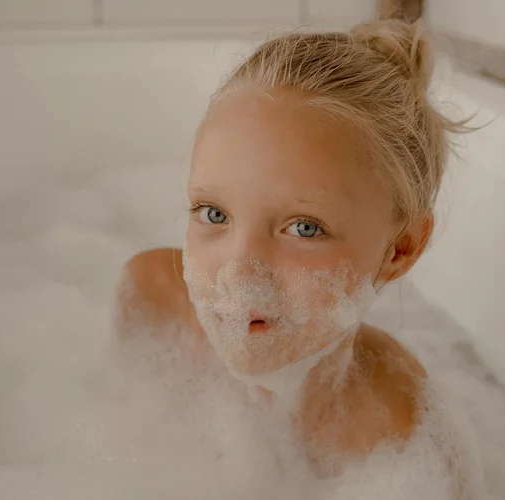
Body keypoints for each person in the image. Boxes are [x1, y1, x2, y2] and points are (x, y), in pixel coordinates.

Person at [114, 17, 479, 496]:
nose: (239, 274)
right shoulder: (150, 300)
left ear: (399, 249)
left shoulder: (407, 444)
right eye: (214, 213)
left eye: (304, 228)